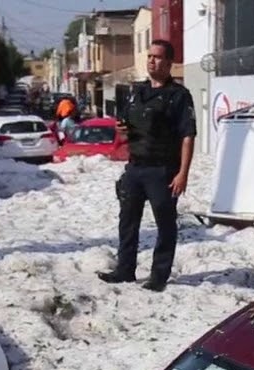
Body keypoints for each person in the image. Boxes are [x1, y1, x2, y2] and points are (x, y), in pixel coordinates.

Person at [97, 39, 196, 292]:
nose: (152, 61)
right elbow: (127, 126)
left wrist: (183, 173)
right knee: (127, 220)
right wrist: (121, 129)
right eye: (150, 56)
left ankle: (159, 275)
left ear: (169, 63)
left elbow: (188, 135)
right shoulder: (136, 91)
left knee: (165, 223)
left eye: (158, 57)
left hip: (163, 170)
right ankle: (125, 270)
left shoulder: (179, 96)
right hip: (135, 167)